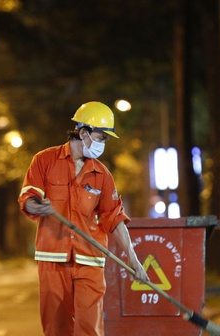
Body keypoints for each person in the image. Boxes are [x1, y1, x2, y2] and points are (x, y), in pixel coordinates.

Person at [18, 101, 150, 336]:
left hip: (90, 258)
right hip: (52, 258)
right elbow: (28, 197)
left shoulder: (102, 174)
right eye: (100, 137)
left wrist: (133, 259)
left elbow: (114, 218)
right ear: (82, 133)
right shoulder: (44, 160)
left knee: (89, 327)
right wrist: (38, 206)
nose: (103, 144)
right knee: (56, 327)